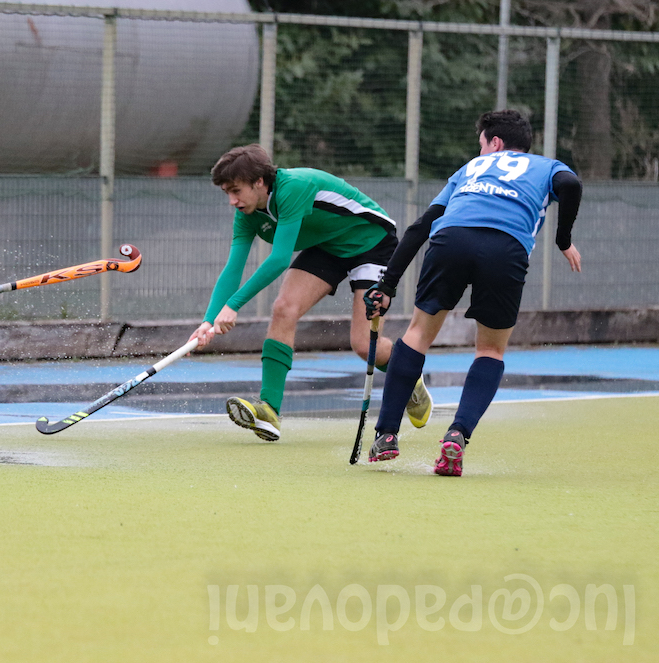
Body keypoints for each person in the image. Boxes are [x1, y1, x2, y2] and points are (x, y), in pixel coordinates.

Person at [364, 109, 583, 476]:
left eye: (481, 144)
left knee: (416, 336)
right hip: (506, 248)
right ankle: (457, 435)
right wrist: (564, 240)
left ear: (495, 143)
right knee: (491, 350)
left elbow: (421, 227)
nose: (480, 152)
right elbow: (572, 187)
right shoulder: (547, 166)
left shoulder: (470, 170)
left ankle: (386, 434)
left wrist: (387, 284)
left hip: (451, 240)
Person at [190, 144, 432, 441]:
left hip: (370, 242)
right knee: (284, 308)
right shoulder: (247, 212)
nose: (231, 201)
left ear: (259, 182)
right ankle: (269, 411)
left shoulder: (293, 187)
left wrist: (234, 305)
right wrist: (209, 319)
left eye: (235, 190)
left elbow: (279, 259)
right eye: (226, 192)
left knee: (362, 344)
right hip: (327, 246)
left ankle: (410, 378)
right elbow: (232, 269)